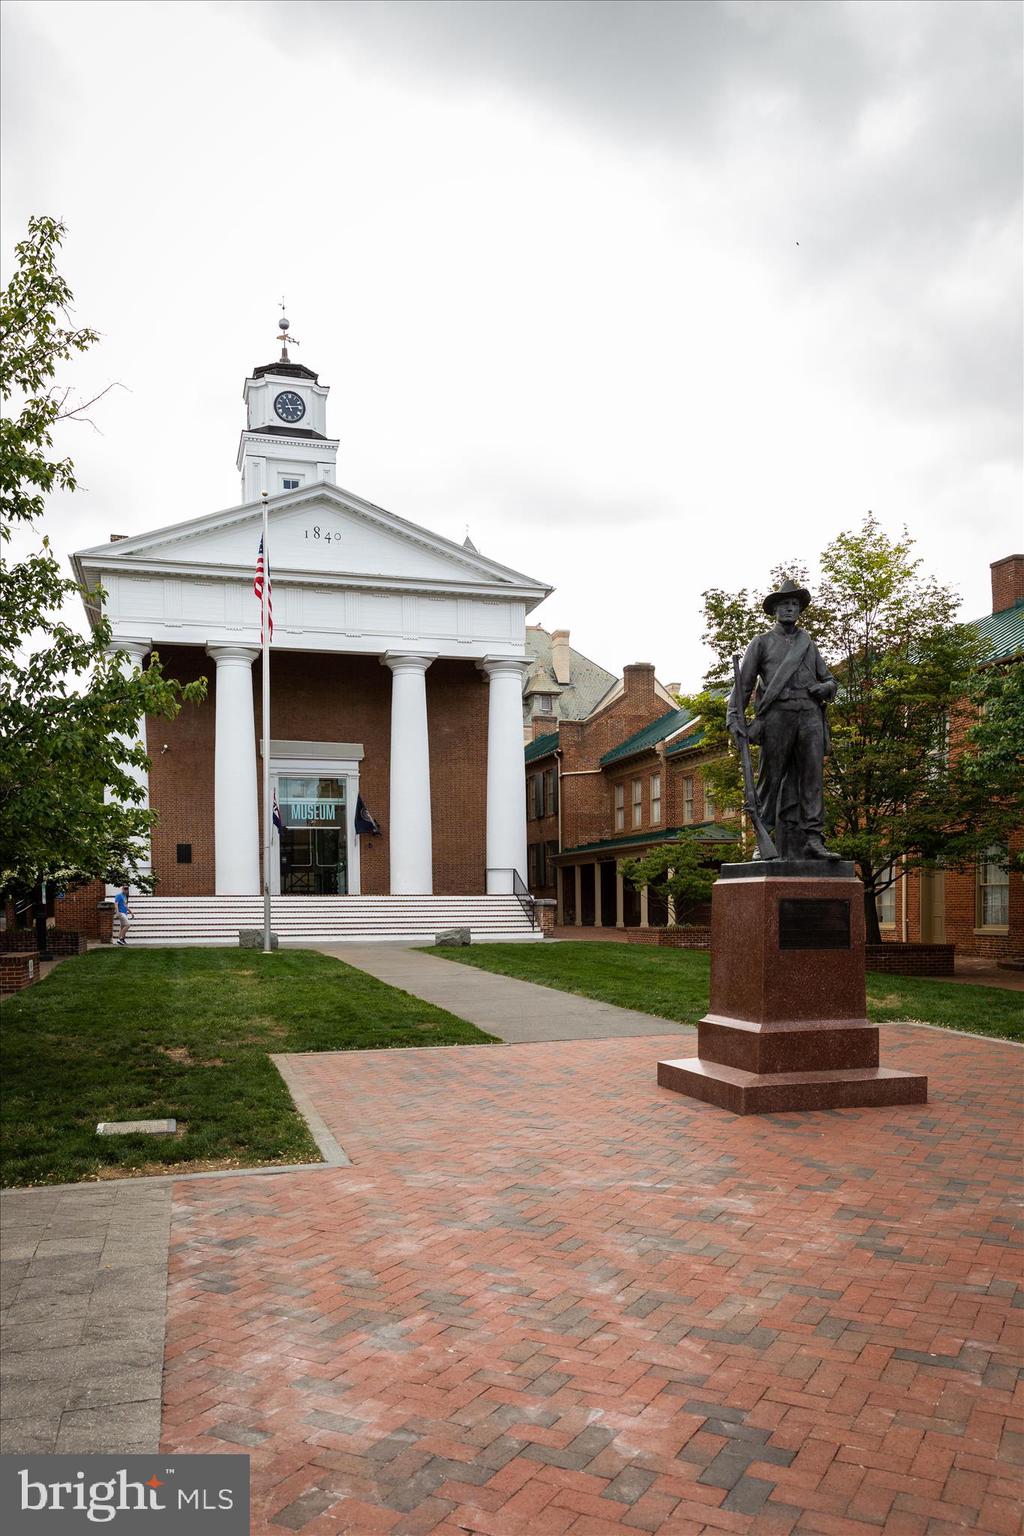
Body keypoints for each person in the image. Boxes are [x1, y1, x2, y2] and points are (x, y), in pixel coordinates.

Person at [727, 578, 840, 862]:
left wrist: (825, 688)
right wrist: (734, 719)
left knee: (812, 779)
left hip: (810, 714)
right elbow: (743, 687)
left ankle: (813, 839)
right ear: (775, 610)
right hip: (778, 715)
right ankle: (763, 833)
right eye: (784, 605)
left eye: (794, 605)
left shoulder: (807, 643)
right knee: (770, 778)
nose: (790, 609)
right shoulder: (762, 643)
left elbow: (829, 679)